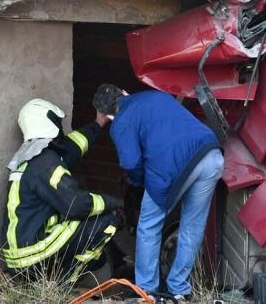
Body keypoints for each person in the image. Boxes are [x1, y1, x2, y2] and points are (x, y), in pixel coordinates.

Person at [92, 84, 224, 301]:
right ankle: (179, 290)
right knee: (193, 225)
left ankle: (147, 292)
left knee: (148, 226)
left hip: (171, 166)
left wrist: (138, 181)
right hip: (211, 154)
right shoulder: (156, 95)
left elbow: (130, 161)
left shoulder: (121, 122)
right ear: (124, 92)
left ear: (107, 115)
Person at [1, 98, 124, 282]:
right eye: (58, 123)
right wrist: (116, 203)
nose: (61, 129)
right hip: (33, 256)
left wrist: (99, 122)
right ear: (48, 123)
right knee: (106, 221)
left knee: (83, 223)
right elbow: (76, 205)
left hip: (19, 259)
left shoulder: (30, 156)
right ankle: (64, 286)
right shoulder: (46, 163)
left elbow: (73, 146)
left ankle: (53, 279)